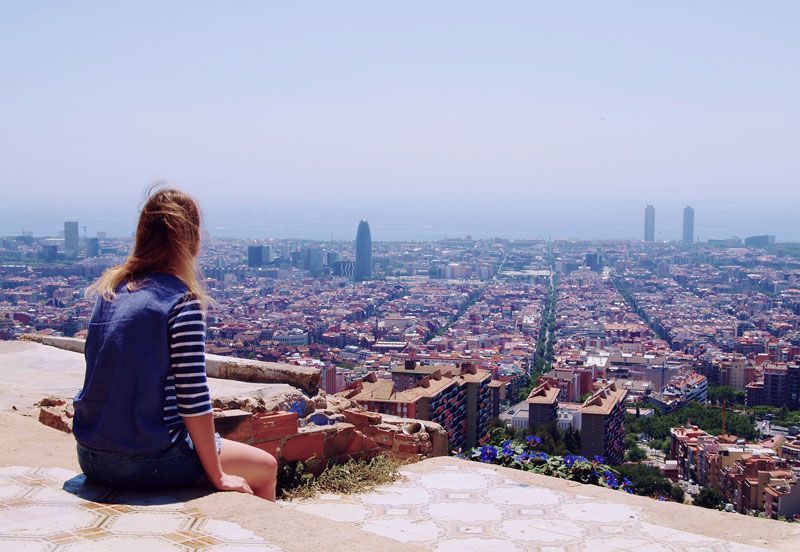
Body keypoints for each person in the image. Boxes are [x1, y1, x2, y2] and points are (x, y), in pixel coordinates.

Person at [73, 187, 277, 501]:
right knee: (266, 466)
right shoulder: (181, 303)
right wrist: (218, 475)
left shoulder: (109, 293)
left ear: (142, 235)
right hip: (149, 460)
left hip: (90, 456)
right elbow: (194, 399)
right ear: (191, 240)